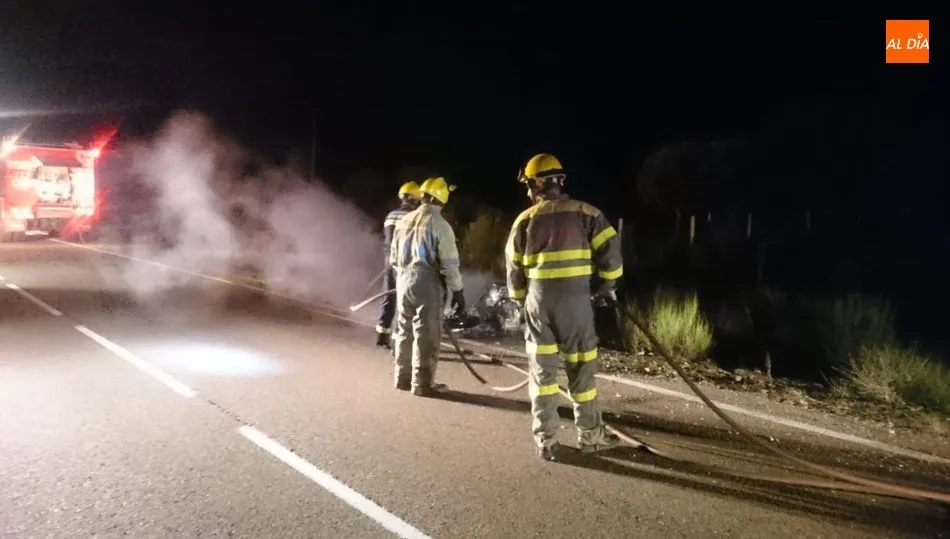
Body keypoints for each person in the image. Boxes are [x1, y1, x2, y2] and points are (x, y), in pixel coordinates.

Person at [505, 153, 624, 461]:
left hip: (538, 304)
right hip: (576, 304)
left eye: (528, 185)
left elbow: (514, 270)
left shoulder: (524, 220)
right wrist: (607, 287)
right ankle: (590, 437)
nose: (527, 192)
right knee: (581, 370)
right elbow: (611, 254)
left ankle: (546, 441)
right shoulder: (588, 213)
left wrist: (520, 301)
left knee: (543, 376)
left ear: (538, 183)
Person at [390, 176, 466, 397]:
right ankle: (422, 383)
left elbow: (393, 258)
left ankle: (401, 378)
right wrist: (458, 291)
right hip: (426, 281)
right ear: (442, 198)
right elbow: (450, 263)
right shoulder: (440, 225)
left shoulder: (404, 221)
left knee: (404, 330)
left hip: (403, 279)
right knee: (426, 333)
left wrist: (405, 277)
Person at [375, 181, 422, 348]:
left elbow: (386, 239)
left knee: (389, 296)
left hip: (389, 261)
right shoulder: (414, 217)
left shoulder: (391, 215)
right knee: (406, 300)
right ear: (416, 199)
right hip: (406, 263)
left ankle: (382, 334)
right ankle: (398, 339)